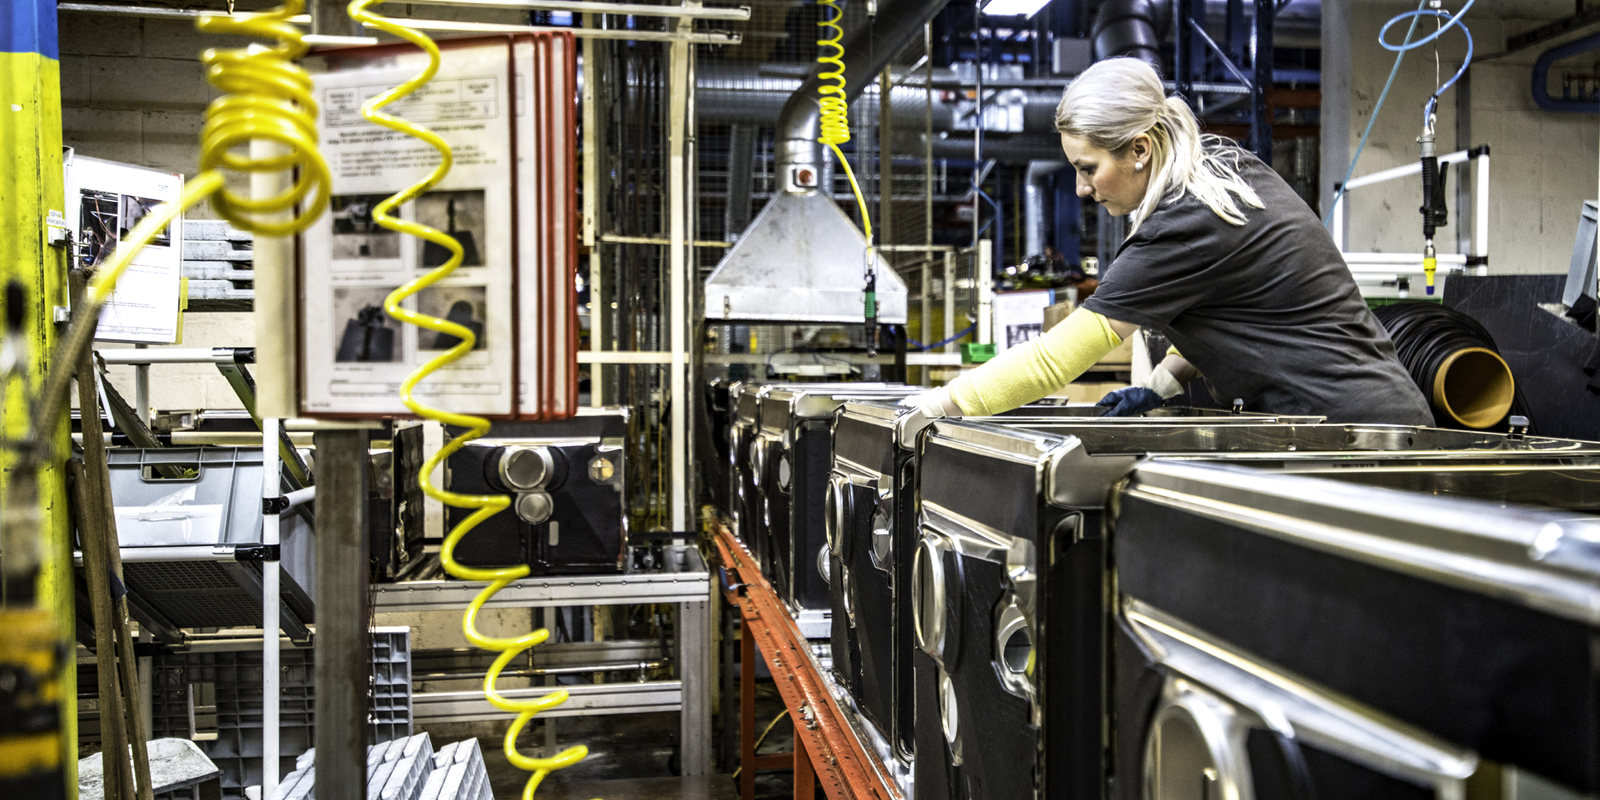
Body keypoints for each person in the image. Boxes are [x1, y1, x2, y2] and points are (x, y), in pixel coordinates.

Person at [911, 58, 1432, 425]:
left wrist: (935, 409)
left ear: (1139, 148)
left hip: (1356, 436)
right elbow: (1231, 309)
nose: (1081, 188)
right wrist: (1159, 387)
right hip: (1368, 419)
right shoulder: (1225, 169)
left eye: (1088, 168)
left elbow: (1055, 361)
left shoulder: (1187, 221)